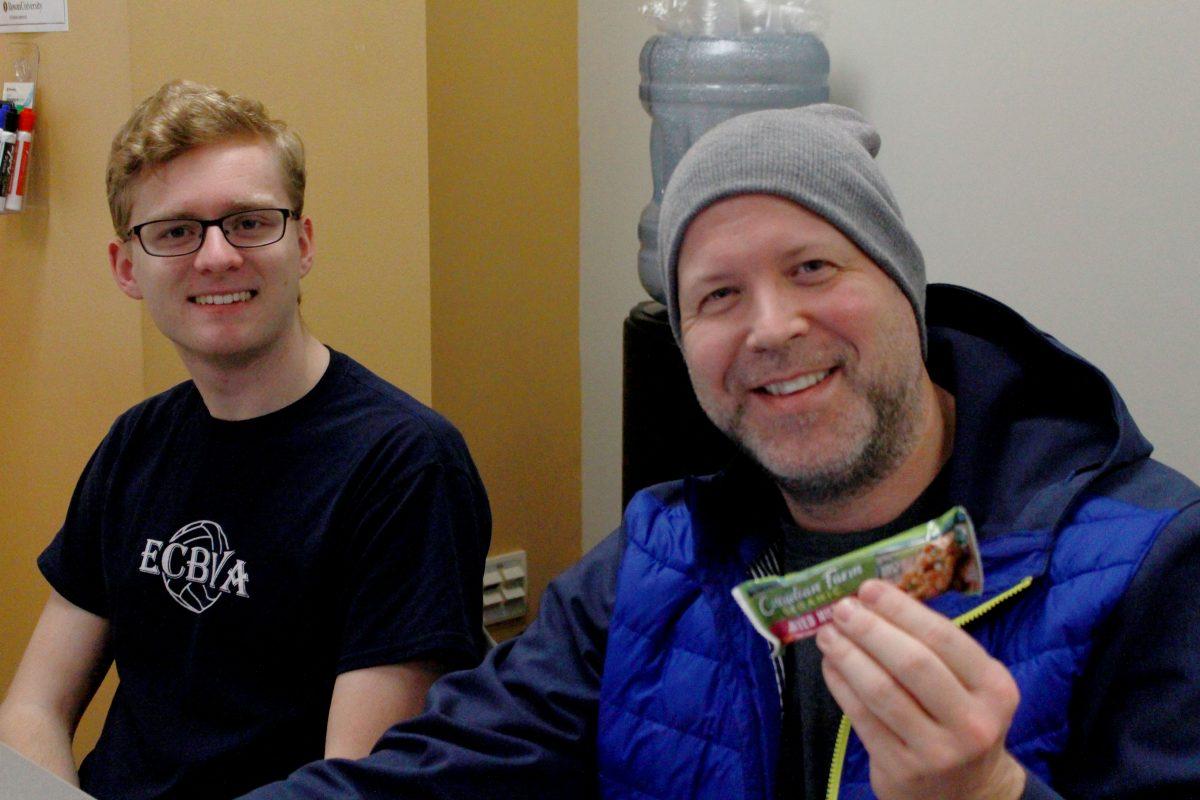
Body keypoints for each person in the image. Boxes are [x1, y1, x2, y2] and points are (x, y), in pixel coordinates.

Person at [241, 105, 1200, 800]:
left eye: (814, 267)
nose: (771, 328)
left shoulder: (1151, 560)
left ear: (905, 290)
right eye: (717, 297)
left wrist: (988, 794)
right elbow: (425, 777)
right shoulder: (657, 558)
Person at [0, 80, 492, 799]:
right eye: (175, 232)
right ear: (125, 269)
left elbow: (356, 784)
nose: (217, 256)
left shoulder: (406, 465)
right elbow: (32, 707)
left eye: (250, 222)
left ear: (305, 243)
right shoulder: (137, 443)